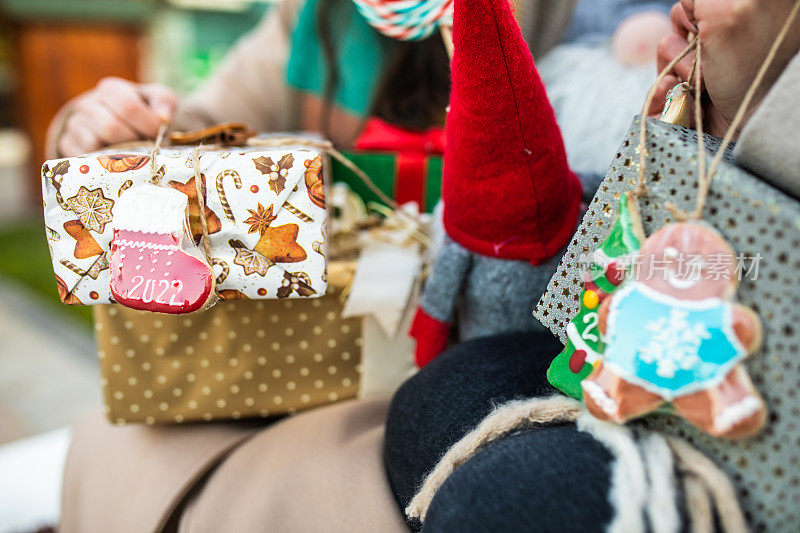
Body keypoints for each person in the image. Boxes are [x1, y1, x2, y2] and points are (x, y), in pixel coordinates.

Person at [46, 1, 581, 531]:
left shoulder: (565, 17)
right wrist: (101, 126)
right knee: (113, 447)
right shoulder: (311, 18)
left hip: (468, 368)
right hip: (310, 353)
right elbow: (197, 127)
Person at [384, 0, 800, 531]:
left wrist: (765, 90)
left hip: (751, 395)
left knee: (503, 500)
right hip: (600, 342)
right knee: (435, 397)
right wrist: (707, 114)